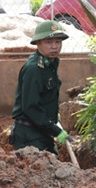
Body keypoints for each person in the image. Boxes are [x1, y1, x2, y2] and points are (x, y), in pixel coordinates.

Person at [10, 20, 70, 153]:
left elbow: (45, 95)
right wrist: (56, 130)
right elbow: (31, 107)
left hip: (41, 131)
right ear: (38, 43)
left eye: (58, 42)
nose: (54, 46)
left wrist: (52, 113)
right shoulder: (34, 69)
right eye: (49, 42)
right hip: (29, 135)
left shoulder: (50, 64)